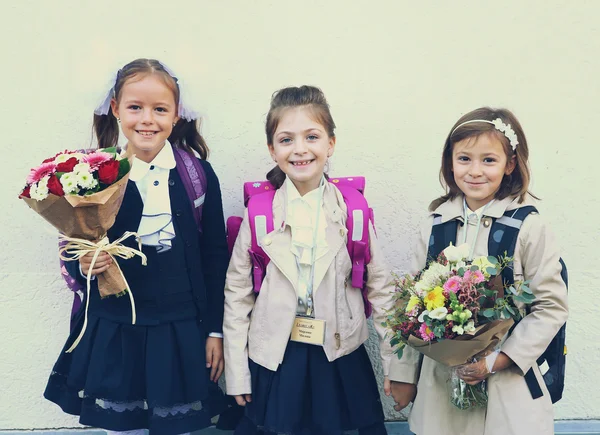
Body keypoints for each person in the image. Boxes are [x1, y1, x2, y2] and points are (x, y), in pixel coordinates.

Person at [44, 58, 230, 435]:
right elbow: (73, 244)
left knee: (176, 421)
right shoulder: (92, 176)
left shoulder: (198, 175)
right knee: (122, 419)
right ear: (115, 108)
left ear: (177, 114)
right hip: (117, 321)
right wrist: (85, 265)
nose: (148, 119)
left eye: (160, 109)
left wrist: (215, 330)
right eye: (135, 107)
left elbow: (214, 256)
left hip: (180, 323)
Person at [224, 85, 399, 435]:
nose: (300, 149)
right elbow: (237, 295)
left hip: (339, 355)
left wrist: (397, 367)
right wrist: (237, 373)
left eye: (312, 136)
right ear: (272, 150)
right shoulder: (259, 214)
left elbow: (382, 291)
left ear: (330, 144)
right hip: (277, 357)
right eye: (286, 140)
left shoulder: (353, 212)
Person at [389, 107, 568, 435]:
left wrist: (496, 361)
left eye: (488, 160)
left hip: (508, 389)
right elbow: (409, 307)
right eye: (464, 159)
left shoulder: (528, 227)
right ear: (449, 161)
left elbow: (551, 307)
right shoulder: (434, 226)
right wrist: (402, 374)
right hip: (440, 390)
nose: (475, 171)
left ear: (510, 164)